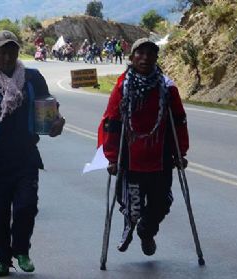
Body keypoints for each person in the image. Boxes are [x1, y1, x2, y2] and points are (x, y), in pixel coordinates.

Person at [0, 30, 65, 276]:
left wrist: (56, 122)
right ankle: (1, 255)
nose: (7, 56)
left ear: (18, 52)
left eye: (12, 50)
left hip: (25, 157)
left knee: (26, 206)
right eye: (2, 51)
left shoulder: (32, 78)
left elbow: (49, 107)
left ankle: (21, 250)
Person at [99, 38, 189, 256]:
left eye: (151, 54)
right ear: (132, 58)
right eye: (140, 53)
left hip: (160, 158)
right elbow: (112, 121)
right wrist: (111, 157)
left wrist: (181, 152)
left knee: (161, 204)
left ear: (157, 58)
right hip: (130, 159)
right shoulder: (123, 87)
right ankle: (133, 225)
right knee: (132, 206)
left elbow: (179, 120)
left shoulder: (167, 88)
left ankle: (146, 231)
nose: (145, 58)